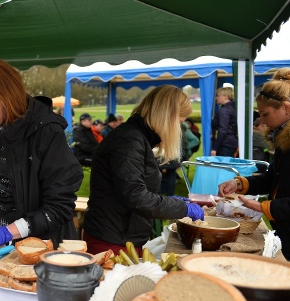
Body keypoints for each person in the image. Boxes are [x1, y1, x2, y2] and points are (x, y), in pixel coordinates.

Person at [0, 57, 83, 248]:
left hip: (39, 245)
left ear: (9, 95)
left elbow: (59, 206)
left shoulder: (46, 130)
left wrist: (8, 232)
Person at [82, 85, 204, 254]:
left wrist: (172, 202)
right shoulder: (129, 141)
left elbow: (134, 187)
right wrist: (182, 208)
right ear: (167, 118)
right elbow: (136, 197)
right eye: (180, 122)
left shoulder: (137, 137)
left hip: (121, 235)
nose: (180, 129)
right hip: (111, 240)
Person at [218, 68, 290, 259]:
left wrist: (264, 207)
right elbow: (273, 178)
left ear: (286, 108)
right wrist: (239, 183)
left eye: (265, 114)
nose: (262, 121)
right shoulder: (283, 140)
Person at [210, 87, 238, 157]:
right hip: (232, 142)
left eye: (218, 96)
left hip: (225, 144)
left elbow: (223, 130)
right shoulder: (234, 108)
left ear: (226, 96)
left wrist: (215, 148)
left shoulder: (225, 110)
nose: (216, 98)